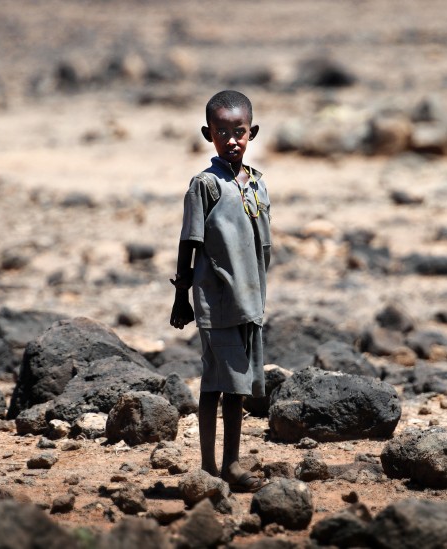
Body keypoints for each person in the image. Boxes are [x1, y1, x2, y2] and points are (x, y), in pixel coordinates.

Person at [170, 90, 271, 493]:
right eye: (221, 132)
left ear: (253, 133)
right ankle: (214, 466)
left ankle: (226, 464)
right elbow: (188, 242)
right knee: (220, 382)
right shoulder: (205, 185)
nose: (231, 139)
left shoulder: (258, 184)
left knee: (233, 385)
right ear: (207, 134)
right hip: (216, 299)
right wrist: (181, 296)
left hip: (249, 301)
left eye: (239, 131)